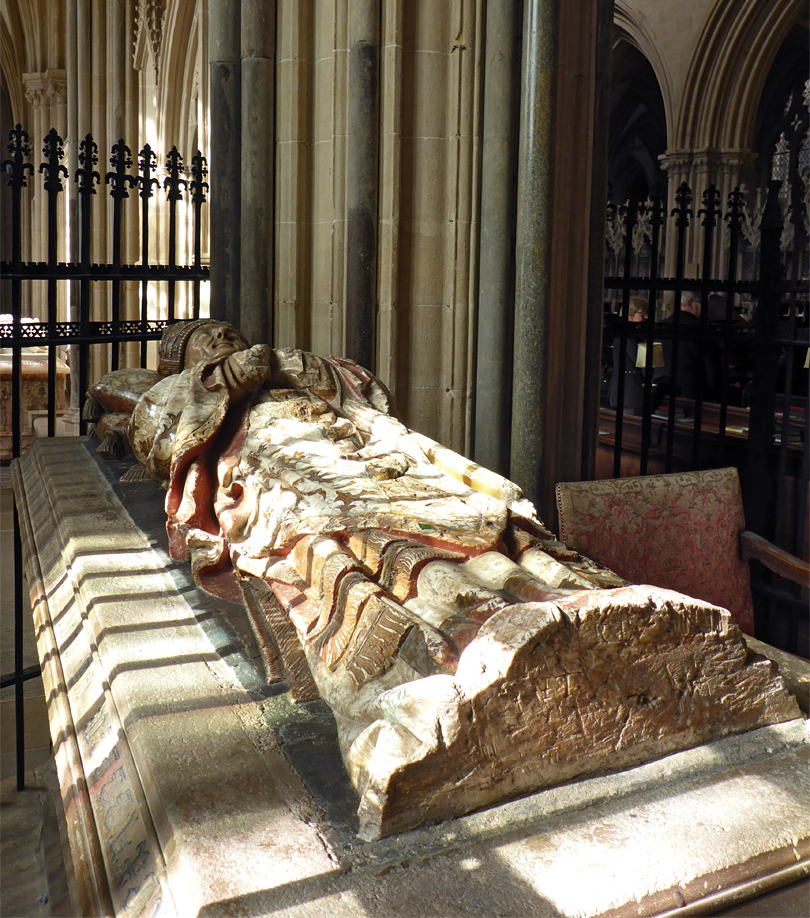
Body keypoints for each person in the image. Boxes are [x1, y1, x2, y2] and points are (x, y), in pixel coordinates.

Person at [83, 319, 796, 840]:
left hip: (381, 451)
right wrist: (218, 384)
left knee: (485, 515)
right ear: (180, 358)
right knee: (357, 535)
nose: (222, 340)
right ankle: (459, 654)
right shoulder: (181, 390)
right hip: (276, 467)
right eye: (204, 340)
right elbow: (156, 438)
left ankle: (573, 603)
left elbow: (367, 385)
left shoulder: (292, 364)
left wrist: (285, 365)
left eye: (226, 334)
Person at [608, 295, 650, 415]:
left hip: (628, 392)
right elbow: (641, 360)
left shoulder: (628, 334)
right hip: (630, 393)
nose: (646, 317)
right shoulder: (628, 335)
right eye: (642, 313)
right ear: (630, 315)